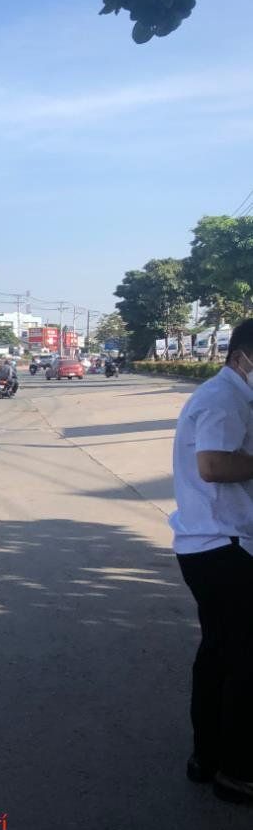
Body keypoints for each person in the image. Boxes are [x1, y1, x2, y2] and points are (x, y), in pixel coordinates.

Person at [170, 318, 253, 803]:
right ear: (241, 356)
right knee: (243, 660)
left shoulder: (231, 395)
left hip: (210, 545)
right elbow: (214, 464)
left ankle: (208, 756)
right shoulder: (224, 399)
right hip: (224, 547)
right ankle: (236, 771)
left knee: (220, 653)